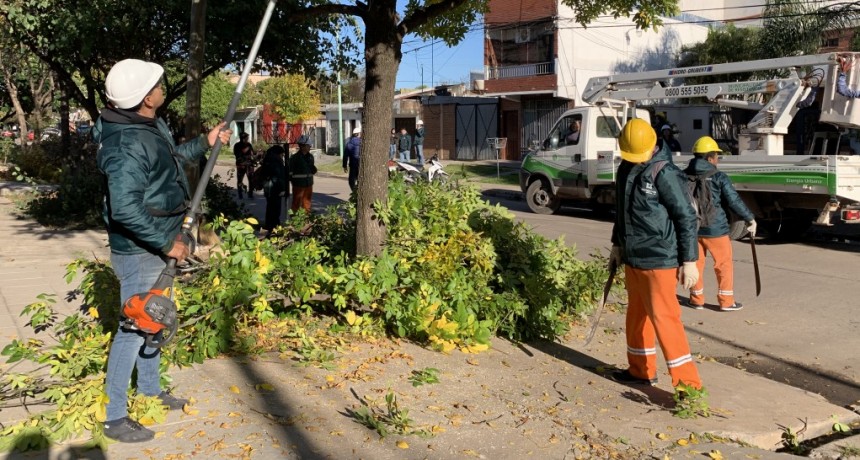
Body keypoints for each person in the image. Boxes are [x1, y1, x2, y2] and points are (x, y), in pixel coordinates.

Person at [95, 59, 231, 442]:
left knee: (156, 318)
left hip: (158, 242)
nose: (162, 89)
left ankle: (150, 390)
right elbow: (124, 209)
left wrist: (204, 142)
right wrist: (165, 241)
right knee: (134, 328)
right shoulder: (126, 144)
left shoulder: (147, 126)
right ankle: (114, 417)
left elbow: (167, 162)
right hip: (140, 249)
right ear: (145, 98)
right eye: (157, 85)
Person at [608, 118, 704, 395]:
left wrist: (689, 261)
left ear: (653, 144)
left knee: (665, 320)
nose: (637, 159)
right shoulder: (626, 167)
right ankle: (640, 370)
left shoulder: (666, 173)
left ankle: (689, 388)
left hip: (660, 260)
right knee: (636, 316)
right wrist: (617, 246)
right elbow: (622, 212)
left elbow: (686, 217)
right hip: (633, 257)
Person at [685, 136, 757, 311]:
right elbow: (733, 200)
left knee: (695, 264)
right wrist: (750, 218)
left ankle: (696, 300)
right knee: (723, 265)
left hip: (692, 229)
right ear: (710, 158)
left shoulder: (683, 175)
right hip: (716, 229)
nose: (718, 159)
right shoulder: (719, 176)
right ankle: (726, 302)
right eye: (717, 156)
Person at [261, 144, 289, 233]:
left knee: (270, 208)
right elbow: (277, 177)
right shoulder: (276, 161)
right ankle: (274, 227)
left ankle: (269, 226)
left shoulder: (268, 159)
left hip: (268, 188)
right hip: (274, 189)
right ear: (278, 153)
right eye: (282, 154)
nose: (282, 156)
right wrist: (282, 189)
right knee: (275, 209)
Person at [289, 134, 317, 214]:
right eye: (308, 145)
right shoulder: (294, 158)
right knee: (296, 203)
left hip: (309, 183)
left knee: (307, 203)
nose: (310, 147)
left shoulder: (311, 157)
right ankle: (294, 218)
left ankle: (306, 219)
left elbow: (311, 169)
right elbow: (290, 172)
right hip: (298, 184)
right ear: (302, 146)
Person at [233, 132, 256, 199]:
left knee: (251, 179)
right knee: (240, 180)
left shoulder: (249, 144)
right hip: (241, 165)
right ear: (243, 138)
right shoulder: (237, 145)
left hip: (249, 164)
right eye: (246, 138)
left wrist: (256, 154)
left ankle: (250, 194)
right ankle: (240, 194)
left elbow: (252, 153)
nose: (247, 139)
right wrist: (247, 149)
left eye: (247, 138)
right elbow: (238, 154)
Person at [343, 127, 361, 192]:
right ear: (359, 134)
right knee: (360, 179)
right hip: (361, 165)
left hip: (353, 165)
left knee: (351, 181)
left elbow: (345, 156)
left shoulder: (349, 143)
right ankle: (359, 192)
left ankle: (354, 192)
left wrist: (345, 166)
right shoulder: (363, 143)